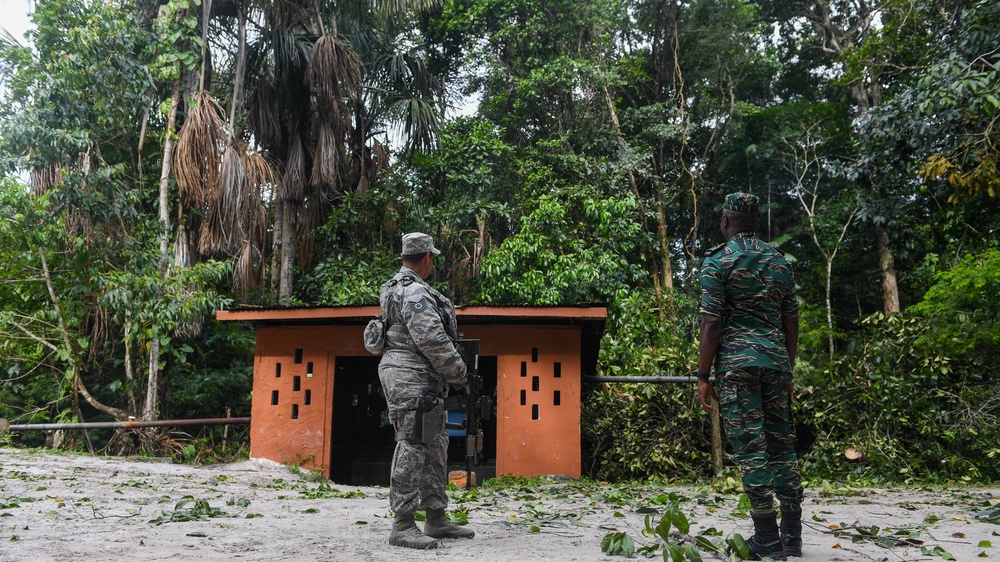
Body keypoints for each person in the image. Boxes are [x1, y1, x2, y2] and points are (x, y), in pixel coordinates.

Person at [697, 193, 803, 560]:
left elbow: (712, 322)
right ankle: (792, 536)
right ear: (755, 221)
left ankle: (767, 538)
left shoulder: (718, 263)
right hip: (775, 364)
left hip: (738, 368)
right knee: (782, 447)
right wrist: (786, 368)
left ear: (725, 220)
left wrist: (702, 375)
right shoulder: (779, 262)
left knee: (752, 449)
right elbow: (791, 321)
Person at [377, 232, 475, 549]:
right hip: (410, 374)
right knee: (414, 442)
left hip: (419, 376)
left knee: (435, 443)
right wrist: (460, 373)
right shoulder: (416, 292)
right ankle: (403, 524)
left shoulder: (395, 287)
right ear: (428, 258)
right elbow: (431, 338)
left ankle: (436, 518)